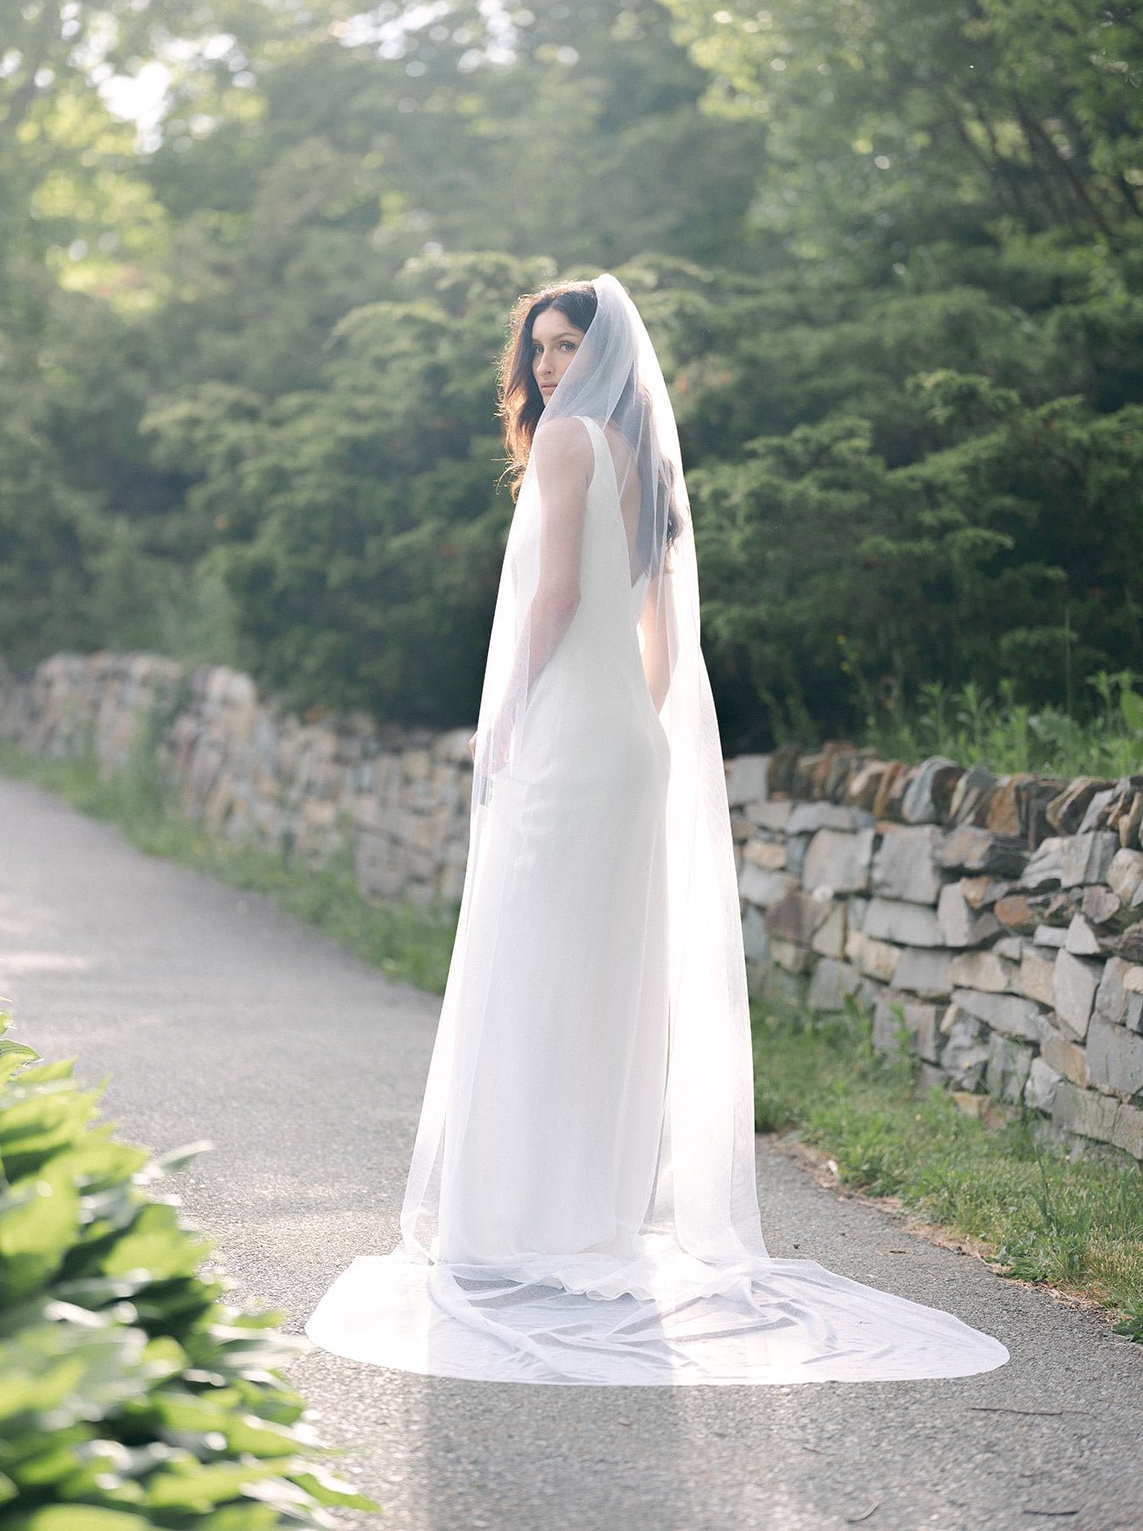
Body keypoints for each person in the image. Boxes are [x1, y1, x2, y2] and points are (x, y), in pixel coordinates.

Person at [303, 272, 1009, 1385]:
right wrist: (638, 727)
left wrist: (511, 719)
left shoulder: (569, 446)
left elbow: (556, 600)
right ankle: (577, 1219)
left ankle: (517, 1223)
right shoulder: (643, 459)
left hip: (574, 745)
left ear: (602, 353)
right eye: (535, 347)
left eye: (566, 343)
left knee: (537, 972)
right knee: (596, 983)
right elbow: (660, 634)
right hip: (626, 742)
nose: (547, 365)